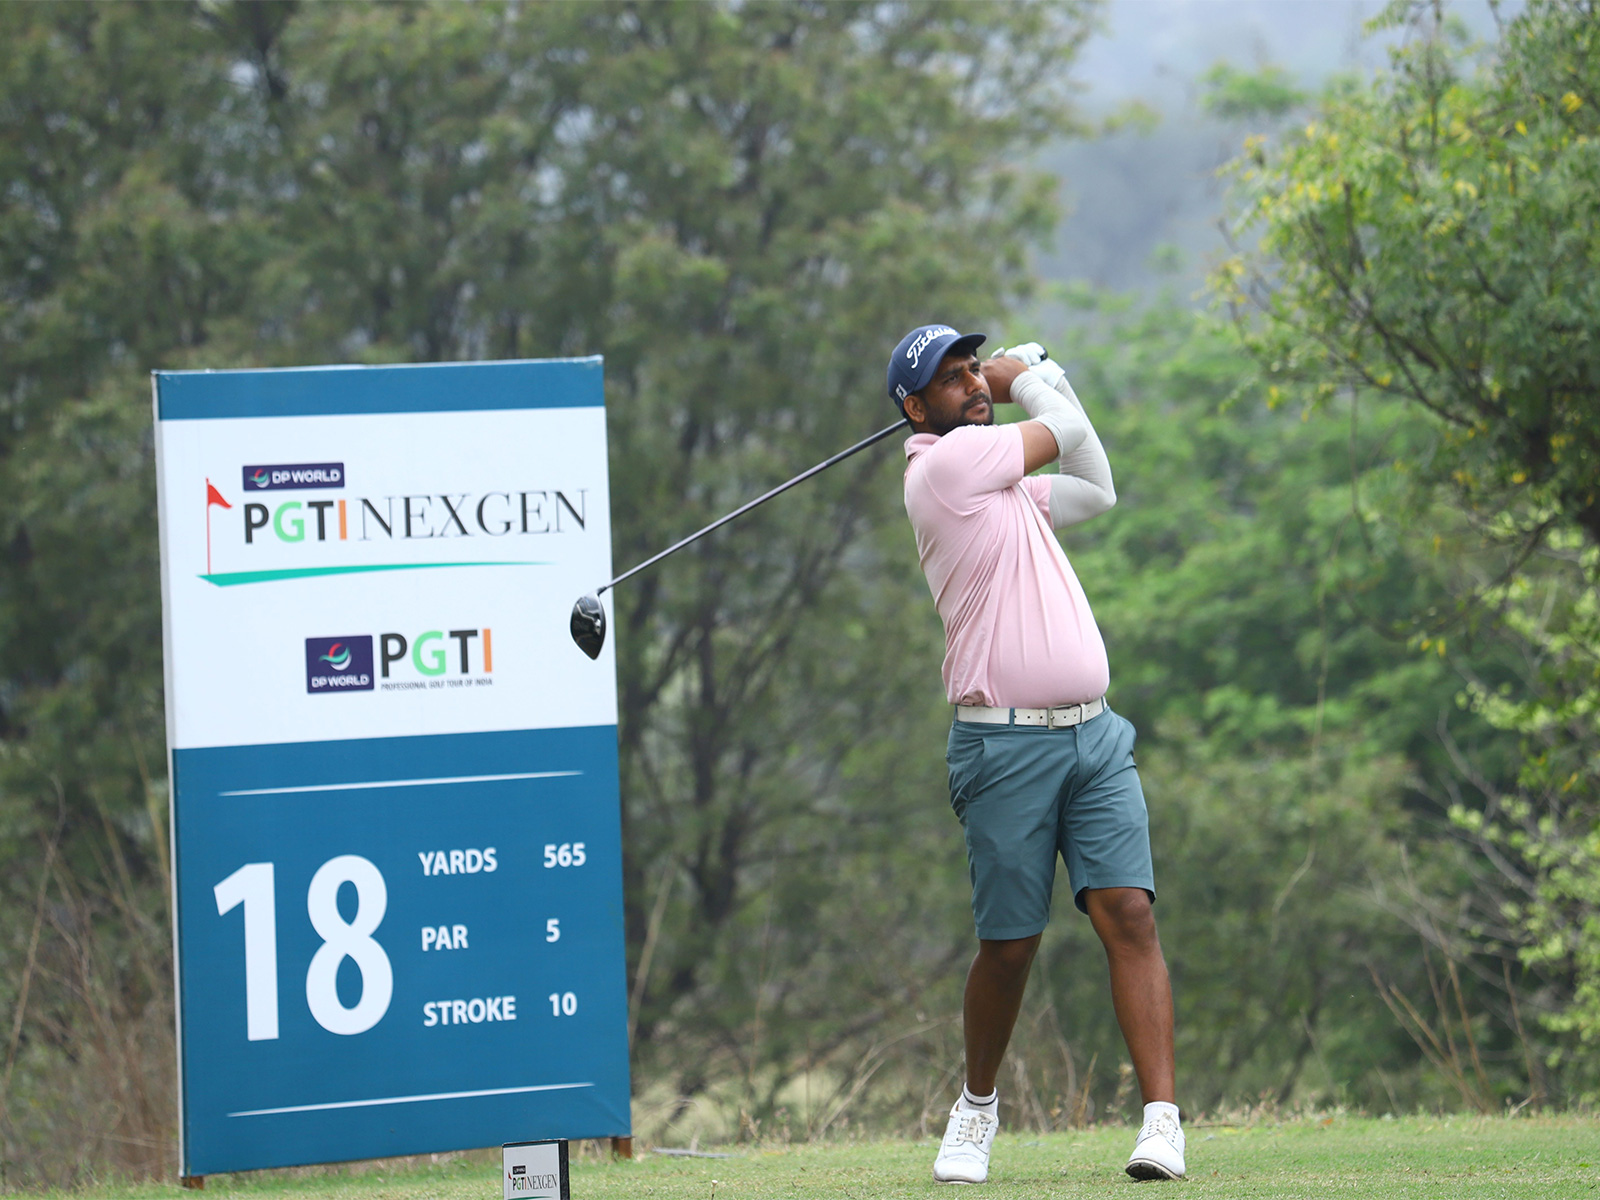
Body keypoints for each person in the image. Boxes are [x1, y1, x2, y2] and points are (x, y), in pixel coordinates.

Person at [886, 324, 1184, 1183]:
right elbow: (1066, 433)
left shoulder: (1006, 488)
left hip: (1095, 736)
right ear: (916, 410)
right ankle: (976, 1109)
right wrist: (1033, 376)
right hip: (1003, 746)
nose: (975, 383)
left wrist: (1032, 384)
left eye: (976, 367)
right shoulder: (945, 469)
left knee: (1129, 911)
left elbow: (1097, 484)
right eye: (953, 379)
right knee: (1011, 944)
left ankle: (1161, 1124)